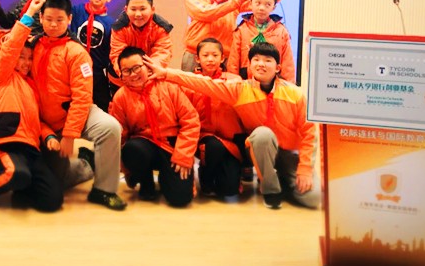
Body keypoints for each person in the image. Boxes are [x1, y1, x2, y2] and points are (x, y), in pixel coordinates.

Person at [146, 41, 319, 210]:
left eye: (267, 60)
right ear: (249, 65)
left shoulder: (295, 94)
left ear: (278, 67)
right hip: (256, 150)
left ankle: (284, 181)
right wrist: (166, 73)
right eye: (256, 60)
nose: (261, 64)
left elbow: (309, 133)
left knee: (312, 198)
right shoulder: (240, 89)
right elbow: (204, 83)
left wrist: (304, 169)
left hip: (289, 154)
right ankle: (271, 190)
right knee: (262, 134)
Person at [33, 0, 127, 210]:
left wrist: (69, 134)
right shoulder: (31, 46)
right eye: (49, 19)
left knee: (110, 127)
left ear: (69, 19)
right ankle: (86, 164)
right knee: (55, 182)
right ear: (41, 18)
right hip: (44, 124)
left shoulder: (77, 53)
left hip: (74, 115)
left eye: (59, 19)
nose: (53, 24)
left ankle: (104, 190)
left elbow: (82, 97)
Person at [0, 0, 64, 212]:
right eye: (21, 57)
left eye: (29, 58)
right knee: (17, 173)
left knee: (53, 200)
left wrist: (49, 136)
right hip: (7, 144)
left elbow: (36, 120)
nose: (25, 62)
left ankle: (21, 188)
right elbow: (11, 46)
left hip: (31, 147)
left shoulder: (31, 86)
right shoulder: (1, 75)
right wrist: (30, 13)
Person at [108, 47, 199, 207]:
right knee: (132, 149)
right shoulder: (121, 97)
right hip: (144, 146)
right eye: (127, 71)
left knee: (180, 198)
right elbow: (119, 137)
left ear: (148, 65)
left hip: (172, 146)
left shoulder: (168, 85)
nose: (133, 74)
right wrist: (127, 169)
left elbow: (190, 121)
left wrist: (184, 156)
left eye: (137, 68)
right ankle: (146, 182)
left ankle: (167, 177)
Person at [185, 37, 246, 200]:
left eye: (215, 55)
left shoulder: (234, 80)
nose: (210, 59)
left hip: (230, 141)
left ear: (222, 58)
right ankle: (205, 174)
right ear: (197, 58)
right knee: (213, 146)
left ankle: (223, 175)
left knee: (229, 190)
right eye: (205, 55)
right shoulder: (189, 82)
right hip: (203, 139)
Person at [228, 0, 296, 82]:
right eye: (258, 3)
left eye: (267, 4)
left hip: (273, 85)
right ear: (250, 3)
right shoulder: (242, 29)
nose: (262, 8)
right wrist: (233, 84)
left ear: (273, 7)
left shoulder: (281, 31)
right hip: (246, 84)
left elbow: (288, 65)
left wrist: (289, 87)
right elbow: (233, 63)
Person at [70, 0, 116, 111]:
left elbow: (109, 51)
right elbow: (58, 8)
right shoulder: (76, 11)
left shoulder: (111, 23)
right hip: (74, 66)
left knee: (103, 104)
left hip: (96, 71)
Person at [109, 0, 173, 78]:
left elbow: (162, 53)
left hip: (150, 75)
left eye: (142, 9)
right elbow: (117, 55)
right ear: (126, 10)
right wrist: (130, 74)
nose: (138, 14)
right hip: (123, 77)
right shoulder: (119, 28)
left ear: (152, 9)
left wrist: (145, 72)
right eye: (133, 9)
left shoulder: (161, 28)